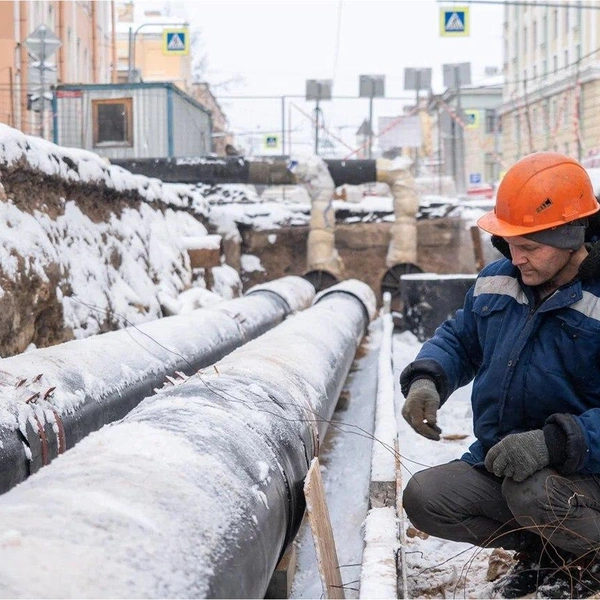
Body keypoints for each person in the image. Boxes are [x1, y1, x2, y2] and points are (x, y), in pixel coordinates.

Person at [400, 151, 600, 599]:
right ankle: (547, 551)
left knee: (534, 492)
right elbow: (459, 339)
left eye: (530, 246)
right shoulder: (500, 280)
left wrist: (553, 441)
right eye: (511, 243)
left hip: (586, 469)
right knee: (427, 498)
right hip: (507, 463)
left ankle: (590, 557)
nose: (517, 257)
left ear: (569, 237)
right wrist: (428, 378)